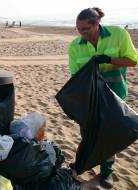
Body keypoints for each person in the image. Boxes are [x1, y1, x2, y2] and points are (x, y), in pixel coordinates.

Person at [68, 7, 138, 188]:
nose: (82, 34)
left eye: (85, 29)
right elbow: (76, 77)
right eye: (78, 29)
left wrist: (108, 59)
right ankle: (83, 164)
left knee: (108, 135)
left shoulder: (118, 34)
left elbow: (133, 60)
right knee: (88, 134)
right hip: (91, 97)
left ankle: (107, 172)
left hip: (114, 94)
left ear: (97, 24)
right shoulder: (75, 46)